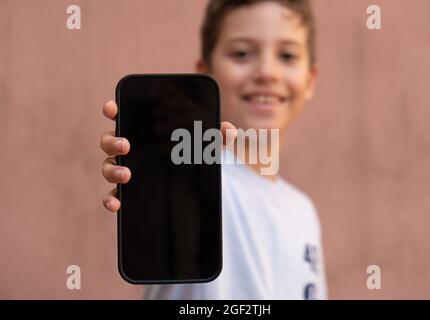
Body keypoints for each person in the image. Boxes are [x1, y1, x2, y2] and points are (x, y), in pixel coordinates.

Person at [100, 0, 327, 299]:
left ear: (310, 80)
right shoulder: (194, 171)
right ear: (205, 74)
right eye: (242, 53)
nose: (267, 72)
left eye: (286, 55)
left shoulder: (303, 211)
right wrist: (150, 166)